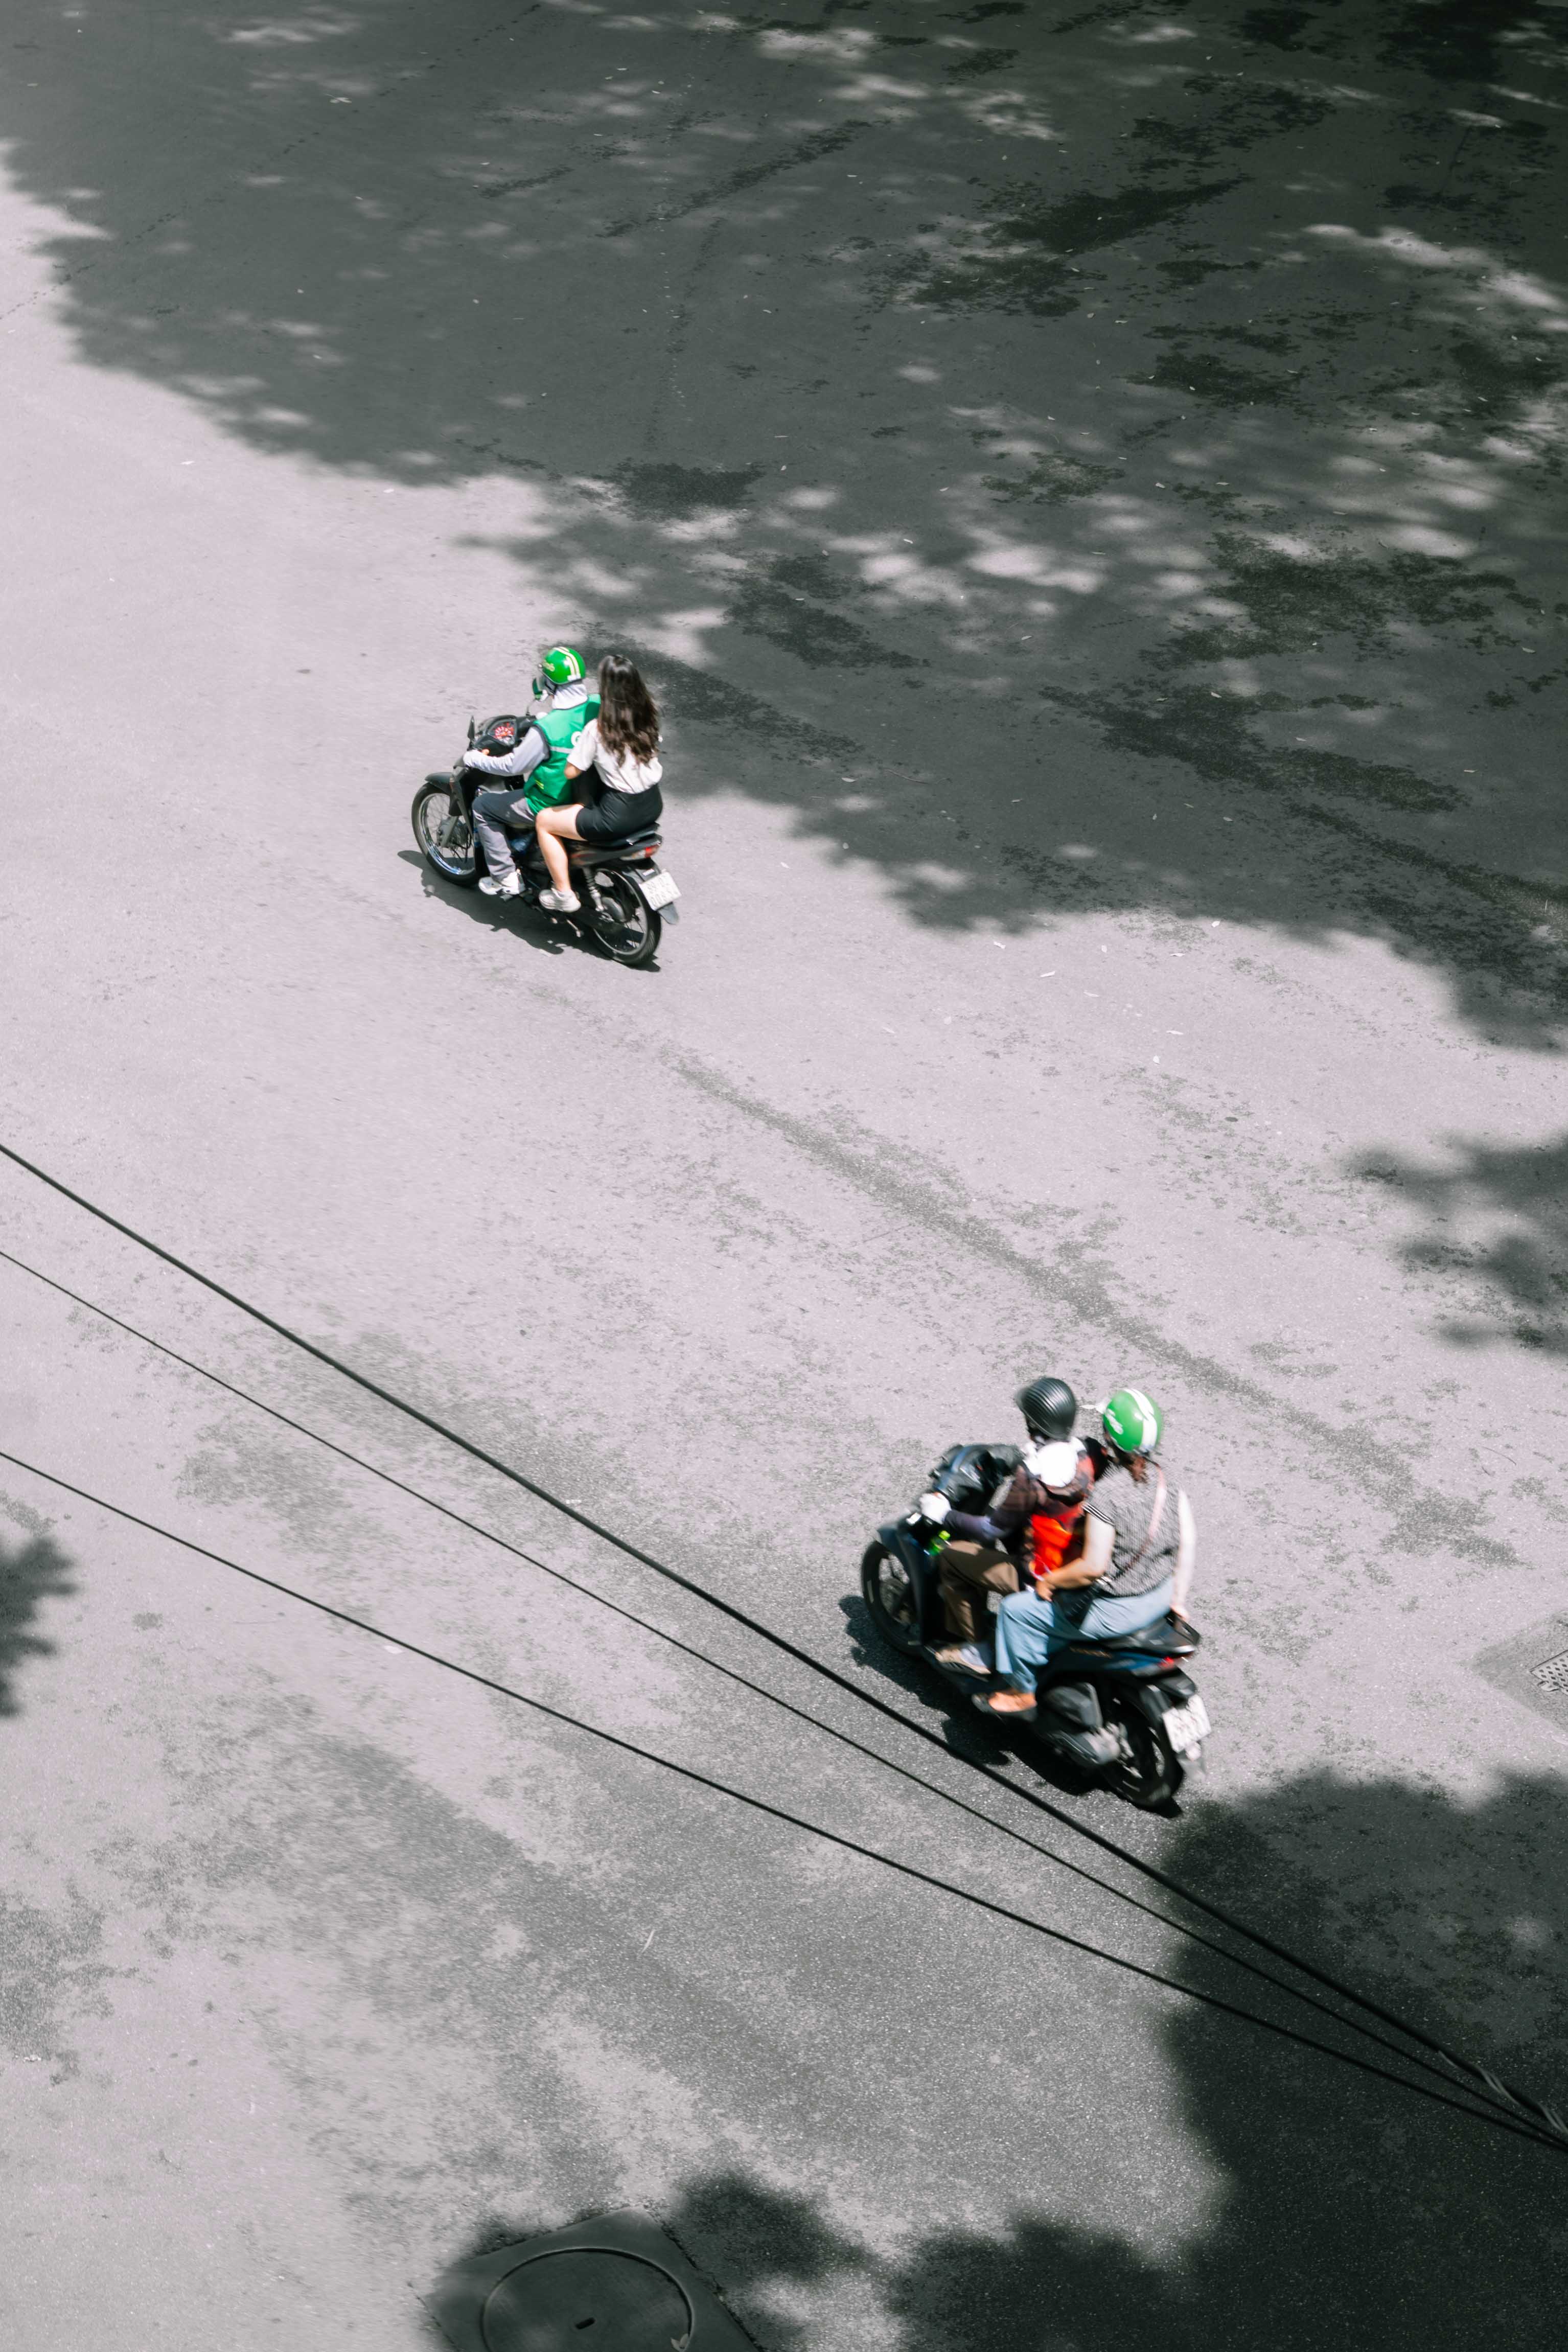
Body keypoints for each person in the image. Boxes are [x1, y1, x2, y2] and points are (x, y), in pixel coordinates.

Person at [977, 1386, 1196, 1719]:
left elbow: (1093, 1567)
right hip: (1161, 1595)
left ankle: (1021, 1692)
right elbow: (1188, 1542)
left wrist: (1050, 1582)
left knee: (1015, 1610)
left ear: (1109, 1435)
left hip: (1119, 1609)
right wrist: (1177, 1599)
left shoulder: (1108, 1496)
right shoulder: (1168, 1480)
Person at [919, 1377, 1094, 1676]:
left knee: (952, 1558)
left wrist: (945, 1515)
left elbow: (991, 1529)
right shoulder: (1084, 1456)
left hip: (1040, 1573)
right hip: (1070, 1557)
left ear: (1035, 1423)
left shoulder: (1034, 1477)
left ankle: (978, 1650)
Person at [462, 645, 599, 900]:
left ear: (550, 682)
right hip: (591, 798)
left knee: (483, 807)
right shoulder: (597, 705)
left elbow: (513, 766)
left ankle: (505, 876)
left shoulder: (547, 728)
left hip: (548, 803)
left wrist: (476, 759)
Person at [531, 652, 664, 915]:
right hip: (651, 805)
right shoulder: (648, 716)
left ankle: (563, 893)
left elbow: (571, 772)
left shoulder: (598, 729)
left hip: (616, 815)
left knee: (545, 822)